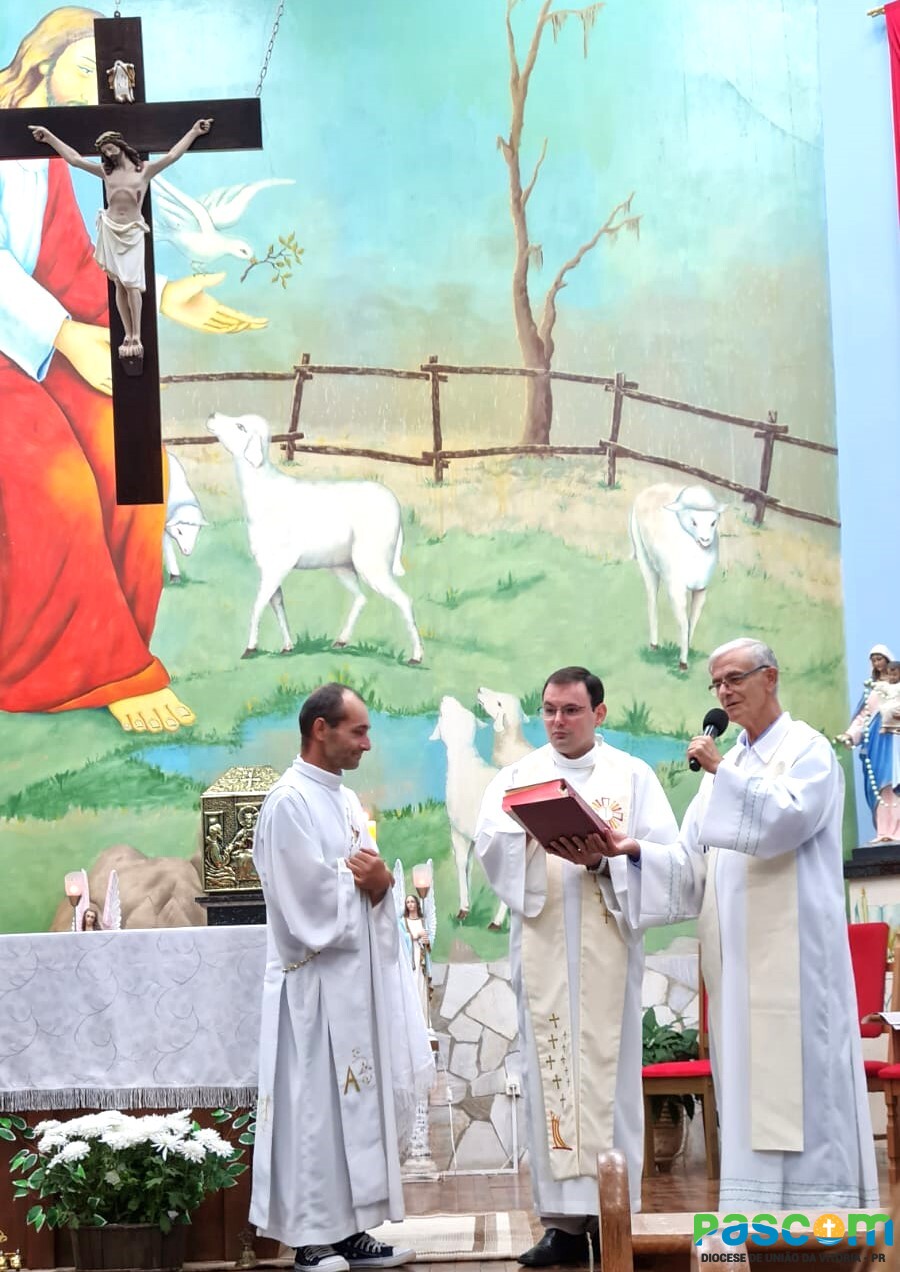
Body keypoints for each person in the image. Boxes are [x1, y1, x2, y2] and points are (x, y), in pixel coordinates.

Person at [0, 8, 266, 733]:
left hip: (25, 341)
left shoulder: (40, 156)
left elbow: (63, 265)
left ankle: (112, 646)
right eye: (82, 73)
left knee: (128, 447)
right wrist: (60, 333)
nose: (94, 97)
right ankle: (79, 669)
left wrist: (160, 300)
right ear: (39, 61)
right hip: (19, 339)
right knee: (50, 471)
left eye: (103, 81)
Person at [592, 638, 879, 1210]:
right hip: (738, 974)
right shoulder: (728, 770)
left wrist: (723, 771)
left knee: (800, 1087)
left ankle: (820, 1213)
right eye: (716, 683)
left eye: (734, 679)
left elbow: (784, 821)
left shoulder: (809, 751)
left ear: (770, 677)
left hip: (794, 971)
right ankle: (754, 1216)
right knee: (750, 1092)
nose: (723, 692)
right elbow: (692, 863)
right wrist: (632, 853)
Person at [473, 666, 678, 1267]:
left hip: (608, 947)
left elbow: (670, 860)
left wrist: (610, 858)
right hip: (543, 952)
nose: (558, 722)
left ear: (600, 713)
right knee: (550, 1077)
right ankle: (563, 1226)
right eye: (549, 711)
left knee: (608, 1081)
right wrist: (535, 840)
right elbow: (492, 845)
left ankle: (611, 1218)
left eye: (570, 710)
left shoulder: (632, 777)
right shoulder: (518, 777)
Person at [250, 683, 432, 1272]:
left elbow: (367, 878)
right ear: (320, 729)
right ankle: (310, 1238)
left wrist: (381, 886)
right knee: (315, 1112)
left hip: (352, 987)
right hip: (312, 990)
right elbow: (303, 902)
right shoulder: (288, 803)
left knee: (352, 1107)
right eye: (358, 731)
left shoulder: (346, 800)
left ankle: (352, 1229)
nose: (367, 744)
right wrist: (363, 885)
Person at [29, 119, 213, 360]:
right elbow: (75, 159)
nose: (107, 152)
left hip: (132, 232)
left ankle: (136, 333)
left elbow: (172, 156)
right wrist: (50, 137)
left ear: (119, 145)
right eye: (103, 151)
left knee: (132, 284)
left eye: (109, 147)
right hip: (111, 229)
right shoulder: (107, 172)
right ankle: (127, 334)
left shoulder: (143, 170)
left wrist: (193, 132)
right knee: (119, 284)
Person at [839, 644, 900, 843]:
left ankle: (897, 831)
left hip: (895, 741)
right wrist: (850, 736)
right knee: (881, 789)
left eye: (880, 658)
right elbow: (863, 718)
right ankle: (884, 831)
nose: (877, 663)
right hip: (876, 744)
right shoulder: (871, 689)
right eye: (873, 659)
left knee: (895, 784)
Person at [398, 894, 431, 1026]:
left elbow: (429, 941)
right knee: (411, 985)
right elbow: (400, 939)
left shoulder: (423, 921)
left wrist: (427, 942)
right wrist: (414, 936)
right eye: (408, 902)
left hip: (421, 959)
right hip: (410, 958)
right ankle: (412, 1022)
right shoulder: (402, 921)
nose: (410, 904)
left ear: (417, 904)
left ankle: (423, 1020)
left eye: (412, 902)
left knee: (421, 986)